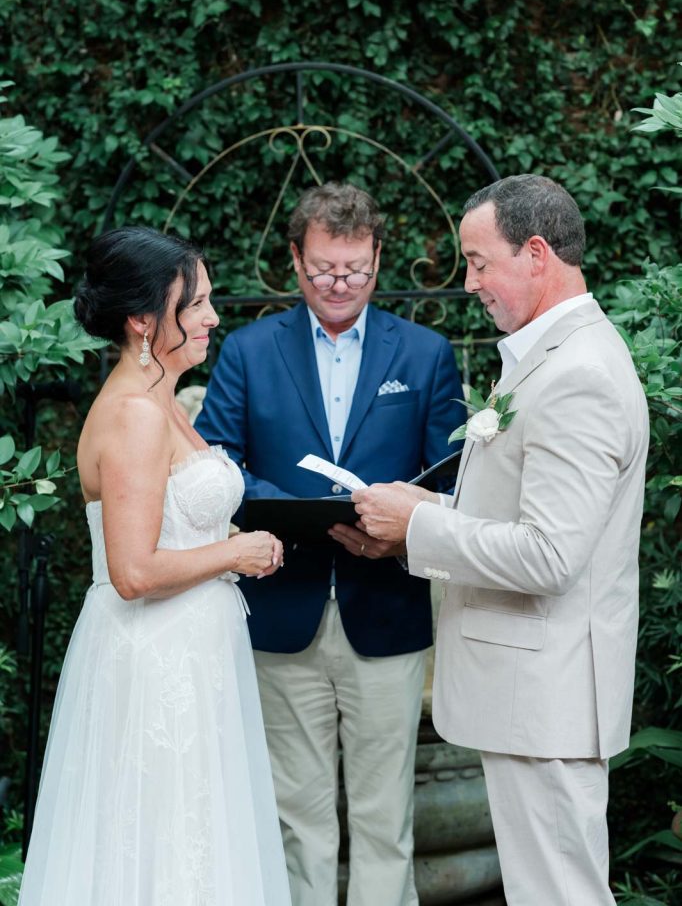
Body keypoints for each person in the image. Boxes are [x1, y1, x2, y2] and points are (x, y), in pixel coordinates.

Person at [352, 174, 649, 906]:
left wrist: (420, 526)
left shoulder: (579, 375)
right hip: (535, 691)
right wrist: (430, 508)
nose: (469, 281)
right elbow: (525, 510)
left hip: (546, 694)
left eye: (479, 260)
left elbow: (549, 554)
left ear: (537, 253)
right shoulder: (552, 358)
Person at [195, 182, 466, 906]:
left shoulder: (427, 353)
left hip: (388, 607)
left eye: (354, 269)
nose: (339, 284)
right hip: (283, 610)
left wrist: (402, 532)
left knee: (386, 818)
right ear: (294, 260)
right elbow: (215, 461)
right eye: (322, 270)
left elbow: (453, 477)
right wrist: (298, 511)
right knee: (296, 813)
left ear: (378, 256)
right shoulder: (249, 351)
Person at [19, 226, 291, 906]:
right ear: (143, 320)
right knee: (163, 840)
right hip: (157, 663)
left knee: (198, 835)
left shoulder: (162, 401)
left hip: (194, 657)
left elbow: (171, 516)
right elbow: (132, 571)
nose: (212, 317)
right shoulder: (136, 413)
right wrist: (236, 550)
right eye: (194, 304)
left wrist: (225, 535)